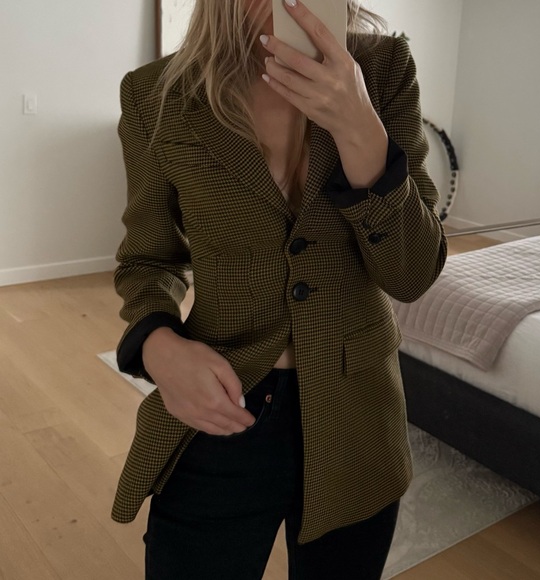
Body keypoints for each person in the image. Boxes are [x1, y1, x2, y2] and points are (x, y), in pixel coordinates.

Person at [111, 0, 447, 578]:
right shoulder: (155, 95)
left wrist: (359, 129)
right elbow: (146, 260)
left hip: (359, 416)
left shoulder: (383, 69)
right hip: (223, 402)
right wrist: (159, 347)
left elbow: (412, 274)